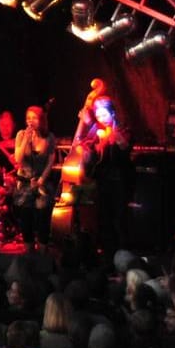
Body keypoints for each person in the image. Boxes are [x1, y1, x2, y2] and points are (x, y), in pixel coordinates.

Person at [74, 94, 133, 263]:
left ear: (113, 112)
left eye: (104, 114)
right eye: (98, 115)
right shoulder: (95, 129)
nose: (101, 119)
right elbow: (83, 145)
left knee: (119, 221)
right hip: (102, 182)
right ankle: (108, 258)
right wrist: (85, 151)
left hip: (120, 181)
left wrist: (108, 135)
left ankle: (123, 259)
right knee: (104, 222)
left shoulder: (123, 129)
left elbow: (124, 145)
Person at [13, 105, 59, 250]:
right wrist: (26, 140)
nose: (30, 121)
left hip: (42, 183)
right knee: (26, 219)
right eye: (28, 118)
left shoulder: (49, 137)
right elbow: (18, 159)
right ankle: (28, 251)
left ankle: (42, 253)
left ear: (41, 120)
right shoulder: (21, 134)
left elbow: (51, 161)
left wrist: (41, 181)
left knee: (42, 218)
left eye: (34, 117)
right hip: (25, 183)